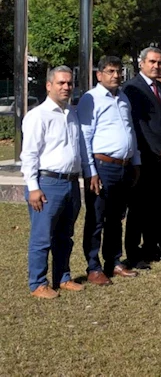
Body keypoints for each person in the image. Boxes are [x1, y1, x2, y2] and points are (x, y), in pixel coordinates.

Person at [21, 66, 97, 299]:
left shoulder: (71, 114)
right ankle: (38, 283)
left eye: (69, 83)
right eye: (61, 83)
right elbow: (29, 154)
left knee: (65, 236)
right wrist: (33, 188)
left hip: (71, 183)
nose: (66, 87)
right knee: (42, 237)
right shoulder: (38, 116)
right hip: (47, 183)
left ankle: (63, 277)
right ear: (49, 86)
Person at [78, 56, 140, 285]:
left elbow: (130, 130)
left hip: (124, 166)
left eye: (119, 71)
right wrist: (90, 171)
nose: (116, 75)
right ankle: (93, 267)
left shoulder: (123, 98)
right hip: (102, 167)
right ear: (99, 74)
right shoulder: (91, 99)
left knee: (115, 218)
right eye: (111, 71)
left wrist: (136, 161)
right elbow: (84, 137)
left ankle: (113, 261)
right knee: (96, 218)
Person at [122, 46, 161, 267]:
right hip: (144, 157)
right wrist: (158, 149)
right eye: (152, 62)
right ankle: (134, 253)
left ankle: (155, 246)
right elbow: (138, 125)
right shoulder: (132, 89)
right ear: (142, 63)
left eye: (159, 62)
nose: (156, 66)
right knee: (139, 208)